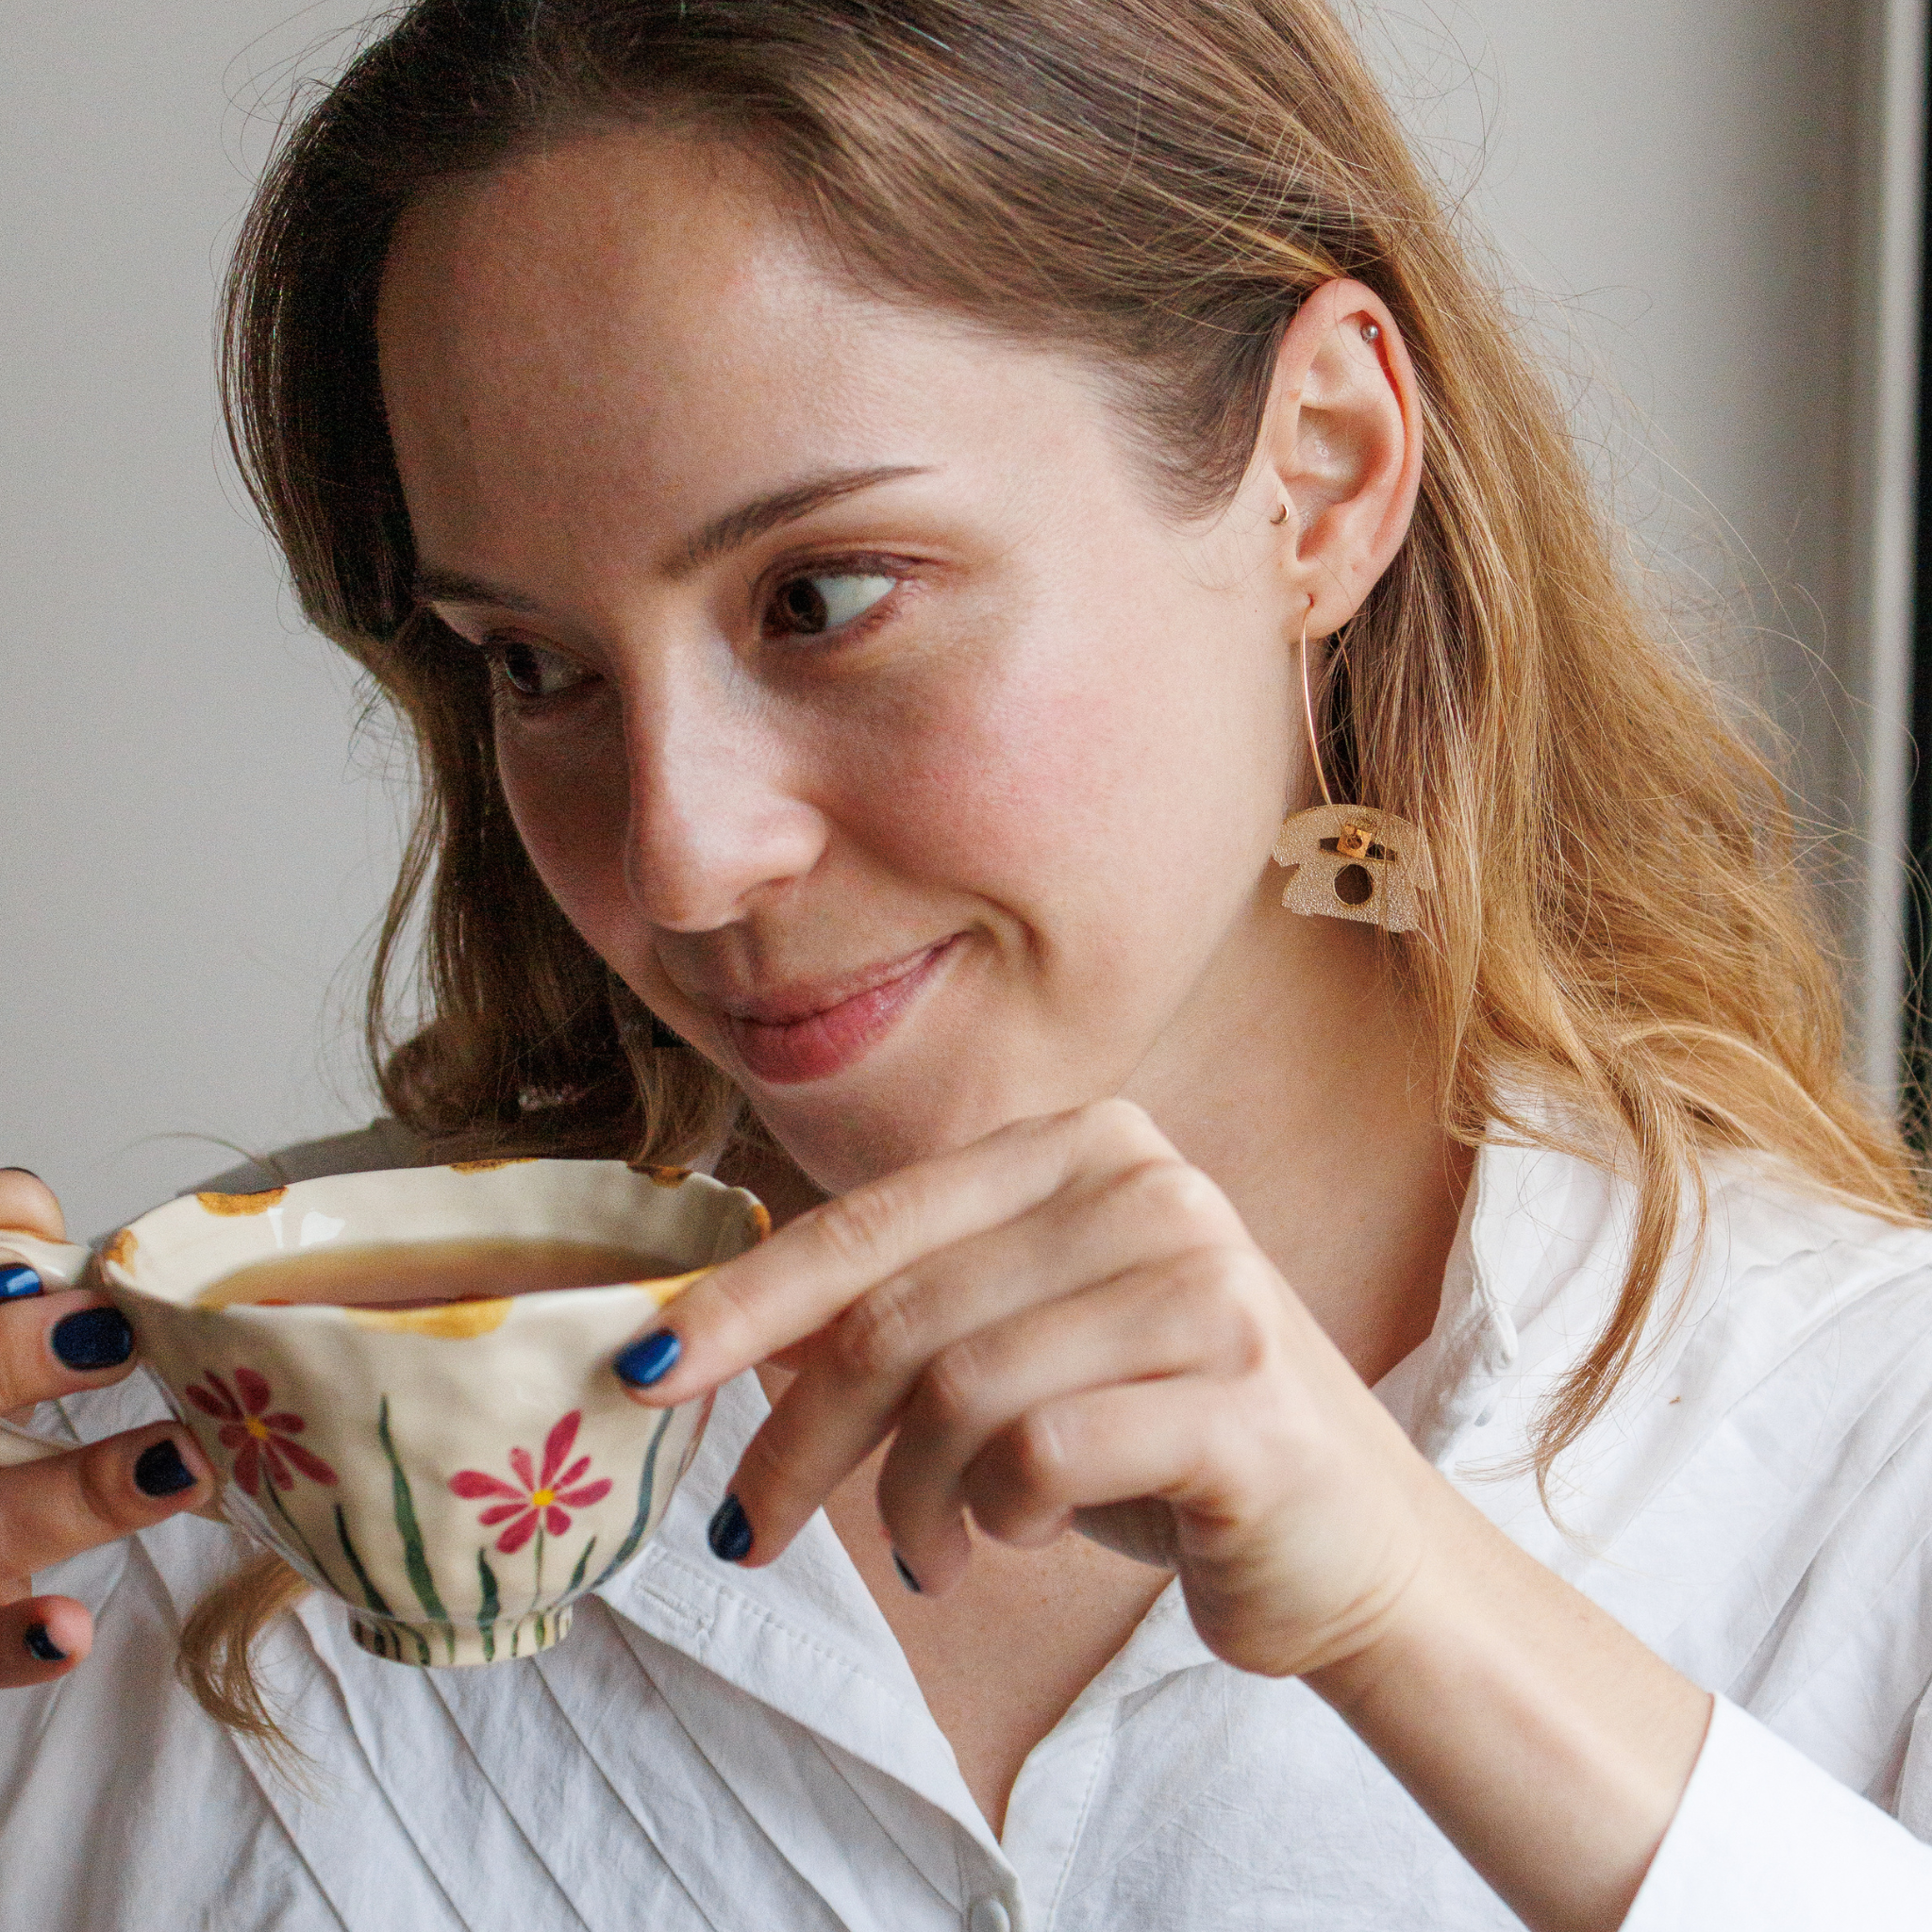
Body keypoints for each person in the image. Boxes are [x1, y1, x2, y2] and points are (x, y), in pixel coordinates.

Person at [6, 2, 1932, 1925]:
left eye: (821, 598)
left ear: (1324, 476)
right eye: (537, 666)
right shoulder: (186, 1478)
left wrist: (1414, 1612)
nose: (679, 852)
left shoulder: (1865, 1462)